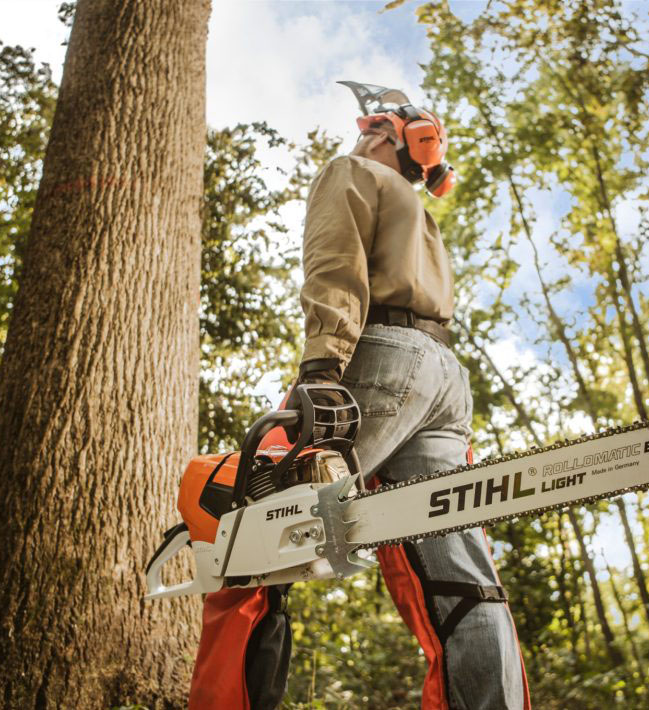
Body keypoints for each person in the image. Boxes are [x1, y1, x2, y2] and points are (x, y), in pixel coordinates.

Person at [188, 81, 530, 710]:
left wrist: (322, 367)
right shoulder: (419, 214)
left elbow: (335, 266)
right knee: (461, 579)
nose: (362, 132)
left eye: (373, 125)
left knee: (248, 528)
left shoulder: (352, 172)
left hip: (381, 356)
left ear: (399, 133)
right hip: (444, 379)